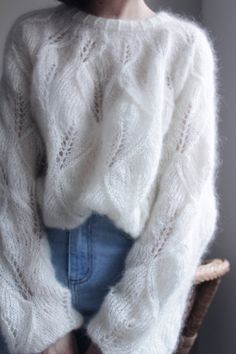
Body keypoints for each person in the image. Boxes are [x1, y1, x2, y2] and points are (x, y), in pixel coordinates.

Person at [0, 0, 221, 353]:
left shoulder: (184, 46)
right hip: (33, 268)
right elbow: (9, 189)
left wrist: (122, 331)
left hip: (134, 275)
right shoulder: (33, 36)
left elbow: (187, 207)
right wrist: (39, 321)